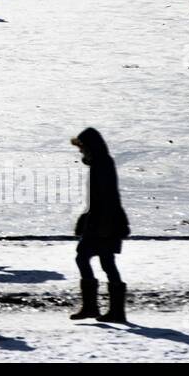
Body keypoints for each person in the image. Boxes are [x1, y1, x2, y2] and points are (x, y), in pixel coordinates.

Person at [69, 127, 129, 322]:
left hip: (103, 224)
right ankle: (108, 310)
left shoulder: (101, 165)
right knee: (105, 263)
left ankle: (96, 308)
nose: (80, 152)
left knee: (88, 259)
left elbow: (105, 199)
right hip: (103, 222)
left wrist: (93, 223)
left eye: (82, 148)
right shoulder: (101, 163)